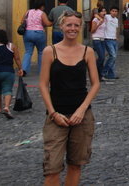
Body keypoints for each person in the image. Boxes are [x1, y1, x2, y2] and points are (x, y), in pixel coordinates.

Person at [39, 10, 100, 186]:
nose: (72, 28)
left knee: (75, 164)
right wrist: (53, 113)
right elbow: (43, 84)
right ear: (61, 26)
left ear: (80, 28)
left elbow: (95, 84)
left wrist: (81, 110)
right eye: (69, 25)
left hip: (82, 117)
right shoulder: (50, 51)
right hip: (56, 115)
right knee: (52, 168)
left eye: (76, 25)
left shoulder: (87, 52)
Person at [21, 0, 52, 76]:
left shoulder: (28, 12)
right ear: (41, 6)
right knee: (41, 52)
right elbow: (47, 23)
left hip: (27, 33)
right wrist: (53, 22)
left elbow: (22, 22)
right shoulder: (41, 13)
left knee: (28, 52)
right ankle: (42, 71)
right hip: (39, 34)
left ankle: (24, 70)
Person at [102, 6, 119, 80]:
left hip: (114, 40)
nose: (114, 13)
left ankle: (111, 74)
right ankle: (103, 72)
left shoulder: (116, 20)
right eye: (113, 11)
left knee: (113, 58)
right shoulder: (107, 17)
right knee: (113, 56)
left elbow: (116, 29)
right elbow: (96, 14)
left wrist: (116, 37)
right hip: (108, 39)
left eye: (116, 11)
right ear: (110, 11)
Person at [91, 7, 107, 80]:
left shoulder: (105, 19)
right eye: (102, 11)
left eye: (105, 11)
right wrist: (99, 24)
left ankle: (100, 75)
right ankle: (95, 73)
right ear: (99, 13)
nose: (104, 13)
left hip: (103, 40)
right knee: (101, 57)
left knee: (102, 58)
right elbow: (92, 30)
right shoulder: (95, 20)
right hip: (96, 39)